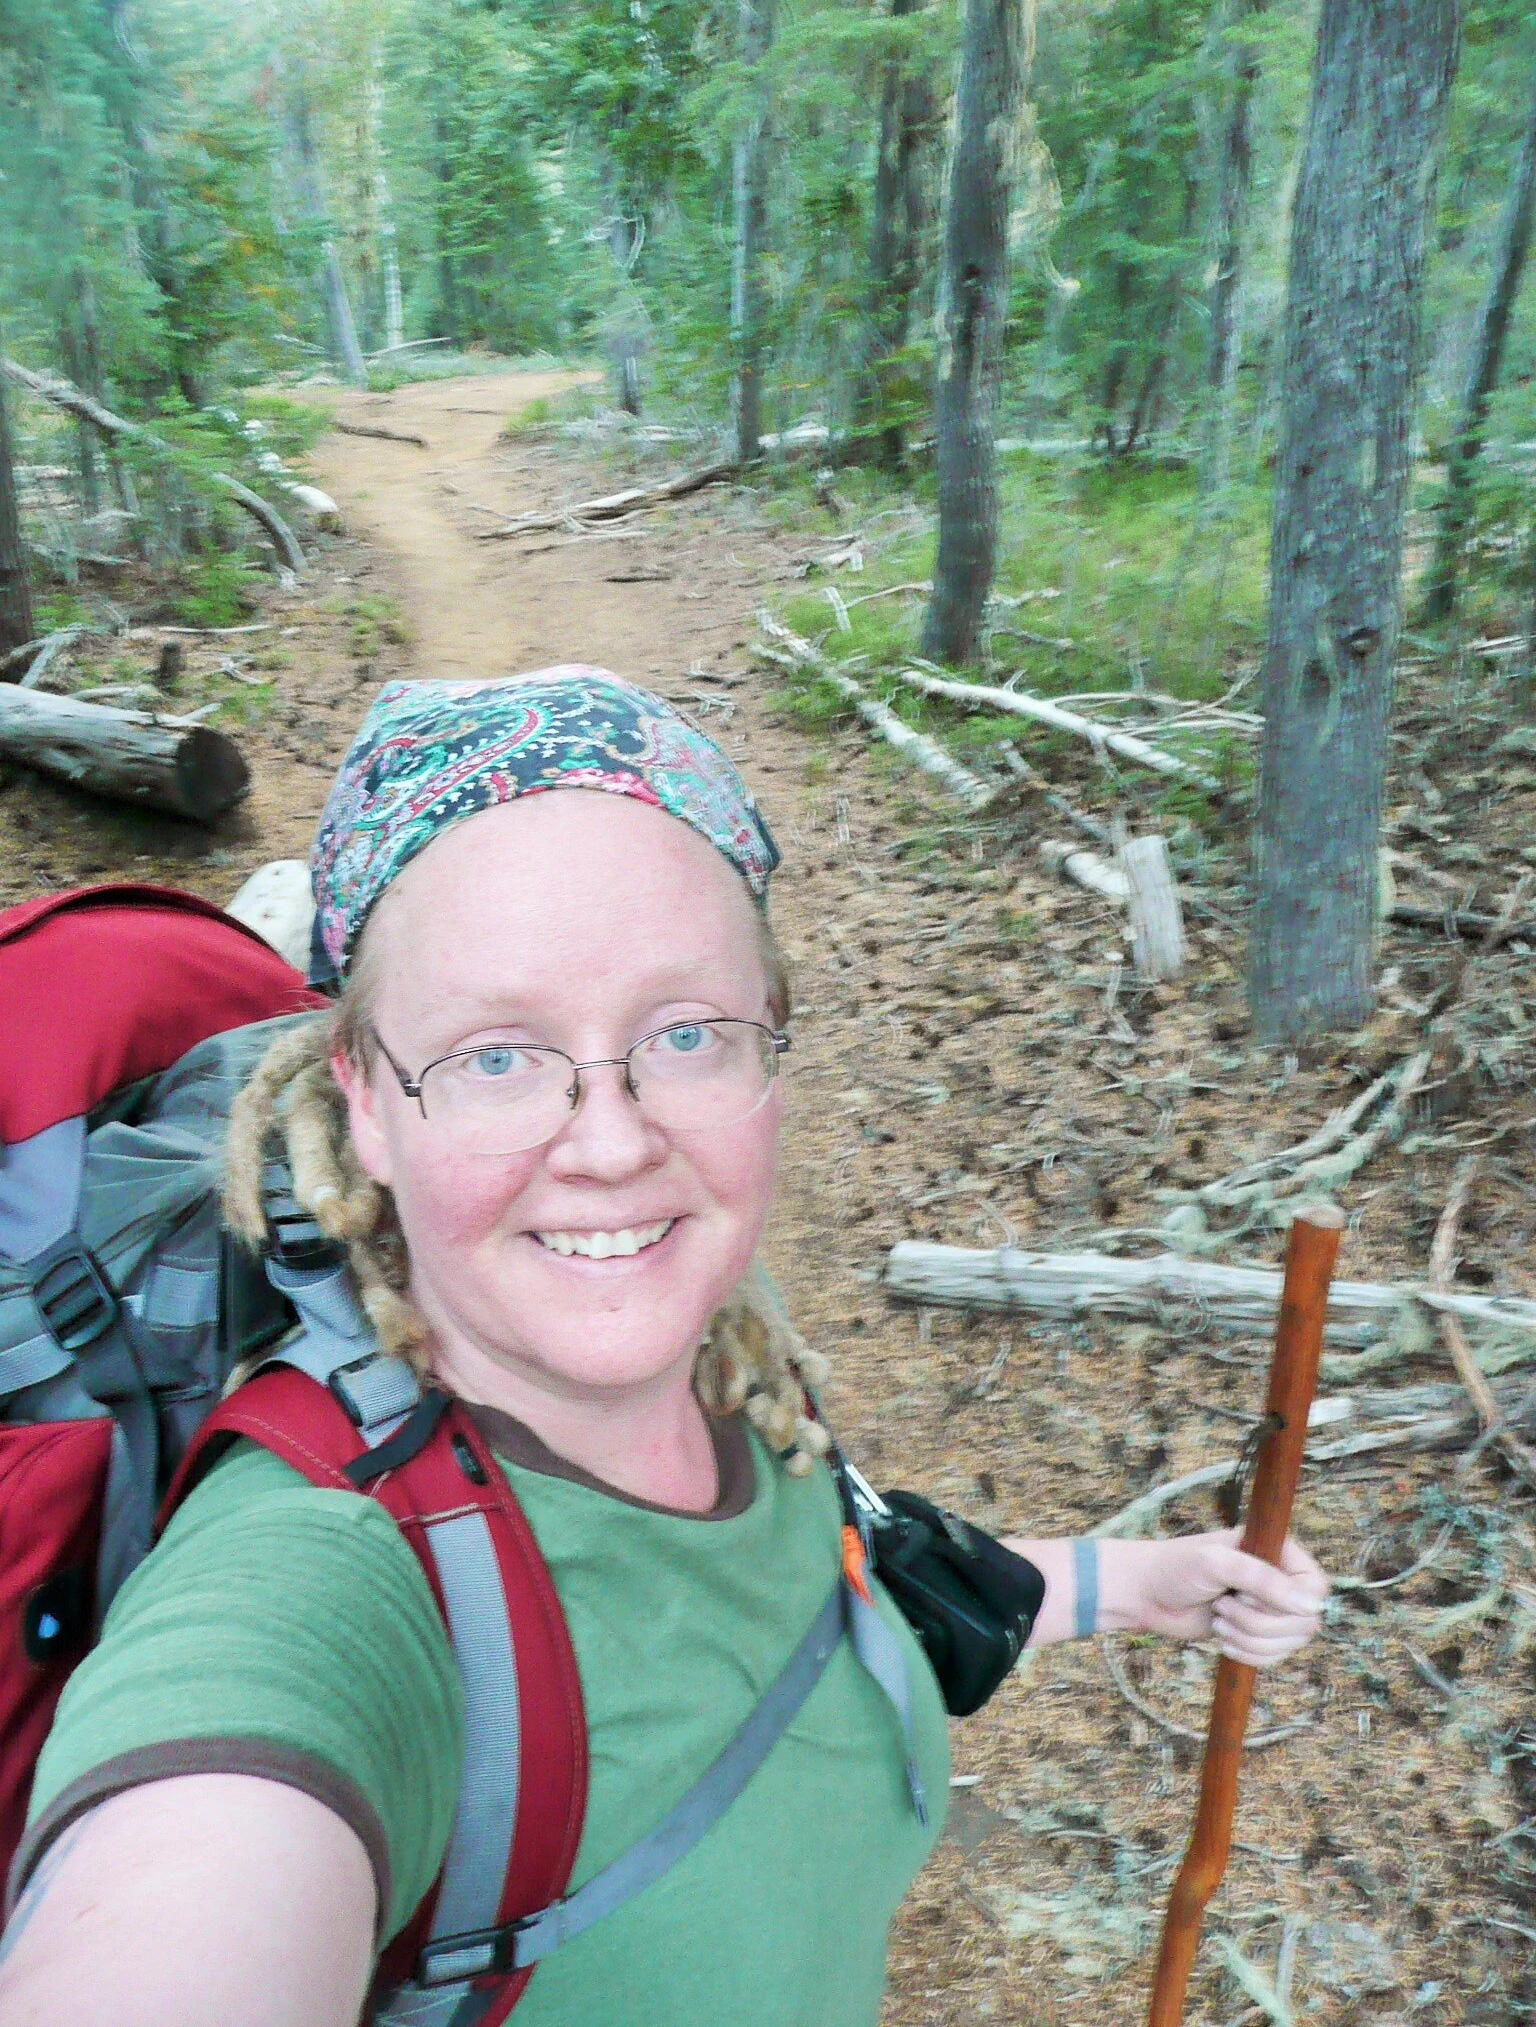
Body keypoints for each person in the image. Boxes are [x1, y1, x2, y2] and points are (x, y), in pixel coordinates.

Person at [0, 672, 1327, 2027]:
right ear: (368, 1109)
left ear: (773, 1050)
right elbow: (193, 1884)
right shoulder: (317, 1577)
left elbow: (826, 1604)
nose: (614, 1141)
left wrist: (1148, 1583)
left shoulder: (732, 1365)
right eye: (497, 1056)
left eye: (685, 1035)